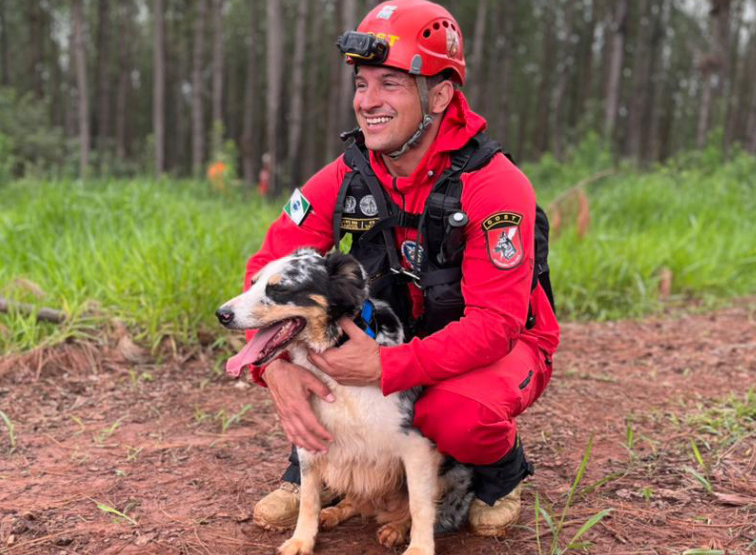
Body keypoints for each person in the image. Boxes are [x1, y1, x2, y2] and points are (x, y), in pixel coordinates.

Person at [237, 0, 559, 538]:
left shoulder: (495, 186)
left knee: (453, 414)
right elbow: (268, 267)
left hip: (499, 343)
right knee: (312, 348)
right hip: (393, 335)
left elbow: (495, 327)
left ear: (439, 94)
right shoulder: (346, 174)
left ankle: (500, 473)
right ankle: (316, 468)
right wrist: (272, 368)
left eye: (390, 83)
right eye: (361, 85)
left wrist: (389, 369)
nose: (368, 102)